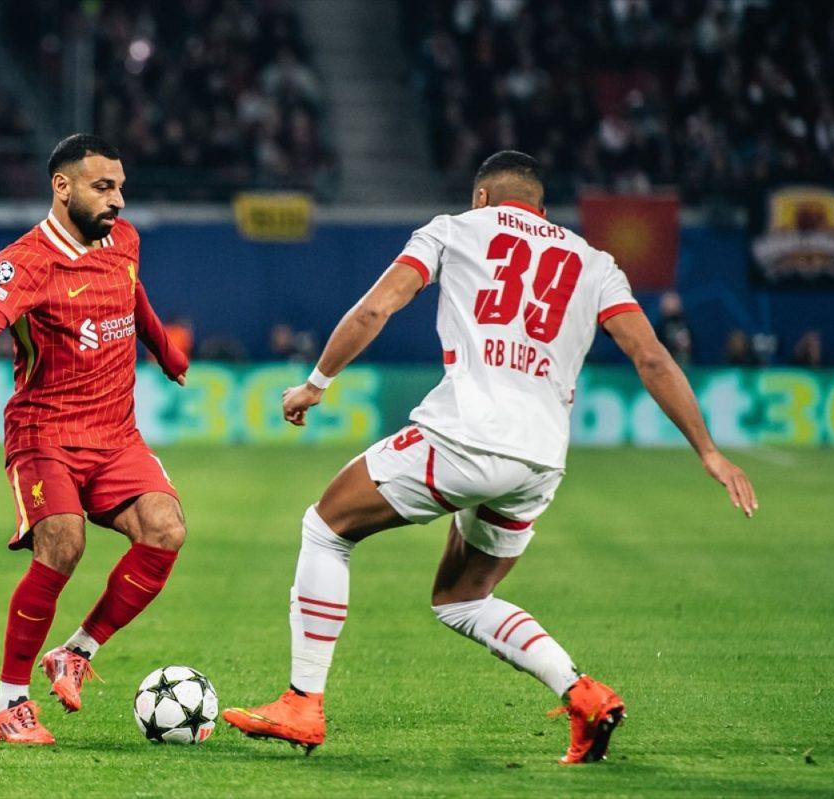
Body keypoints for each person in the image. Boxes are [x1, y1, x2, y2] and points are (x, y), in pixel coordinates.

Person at [222, 151, 758, 764]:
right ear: (541, 208)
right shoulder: (595, 262)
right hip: (539, 461)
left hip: (464, 434)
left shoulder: (452, 230)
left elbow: (376, 307)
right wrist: (709, 451)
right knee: (463, 598)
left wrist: (316, 382)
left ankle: (302, 702)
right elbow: (653, 358)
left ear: (482, 198)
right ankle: (583, 695)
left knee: (326, 527)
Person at [0, 134, 190, 745]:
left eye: (121, 187)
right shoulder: (26, 261)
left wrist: (162, 346)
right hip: (44, 434)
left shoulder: (122, 240)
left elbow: (132, 294)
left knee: (166, 530)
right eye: (104, 188)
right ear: (63, 187)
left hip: (115, 433)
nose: (119, 201)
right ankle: (10, 704)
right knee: (63, 542)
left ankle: (76, 651)